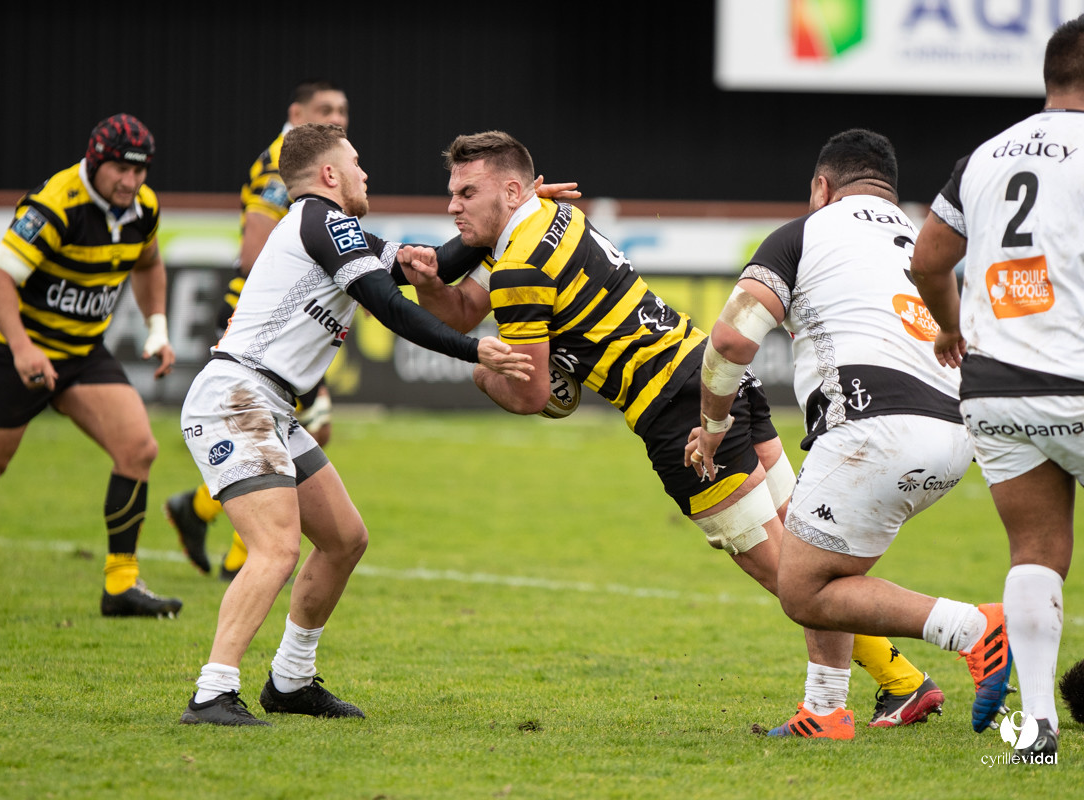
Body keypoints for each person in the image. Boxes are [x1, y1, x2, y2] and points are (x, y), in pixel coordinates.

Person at [397, 130, 945, 730]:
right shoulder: (552, 215)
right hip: (711, 371)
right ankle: (900, 684)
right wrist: (431, 286)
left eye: (465, 193)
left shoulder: (521, 264)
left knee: (792, 573)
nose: (452, 207)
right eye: (451, 193)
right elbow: (466, 308)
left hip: (674, 410)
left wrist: (484, 371)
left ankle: (954, 635)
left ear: (509, 188)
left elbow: (532, 395)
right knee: (811, 547)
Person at [176, 122, 534, 725]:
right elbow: (389, 307)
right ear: (329, 175)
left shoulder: (334, 231)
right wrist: (475, 349)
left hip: (272, 402)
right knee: (276, 548)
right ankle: (212, 691)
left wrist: (519, 207)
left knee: (344, 539)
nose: (366, 173)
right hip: (236, 395)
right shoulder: (322, 221)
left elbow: (438, 264)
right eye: (357, 162)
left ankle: (290, 681)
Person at [689, 128, 1012, 740]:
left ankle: (974, 628)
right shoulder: (920, 239)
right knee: (826, 573)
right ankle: (828, 709)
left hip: (873, 428)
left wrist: (712, 426)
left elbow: (730, 341)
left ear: (821, 186)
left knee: (802, 590)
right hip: (954, 435)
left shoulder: (806, 231)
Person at [0, 114, 182, 619]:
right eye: (121, 169)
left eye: (140, 171)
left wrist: (157, 327)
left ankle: (121, 585)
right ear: (96, 161)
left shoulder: (143, 208)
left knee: (138, 449)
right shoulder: (56, 204)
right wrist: (23, 348)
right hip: (17, 353)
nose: (131, 181)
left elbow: (148, 263)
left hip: (81, 354)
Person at [909, 16, 1084, 763]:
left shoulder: (982, 156)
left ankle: (1038, 728)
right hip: (1076, 374)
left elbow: (927, 260)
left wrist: (949, 328)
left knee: (1035, 550)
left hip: (996, 387)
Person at [165, 80, 349, 581]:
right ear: (296, 112)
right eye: (325, 108)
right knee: (303, 428)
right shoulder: (281, 162)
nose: (337, 117)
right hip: (269, 332)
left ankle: (204, 515)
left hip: (294, 325)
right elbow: (253, 249)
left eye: (342, 110)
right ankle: (242, 552)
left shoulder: (316, 161)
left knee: (310, 429)